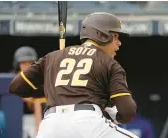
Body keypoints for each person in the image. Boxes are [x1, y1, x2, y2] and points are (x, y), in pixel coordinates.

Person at [9, 12, 138, 138]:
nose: (119, 43)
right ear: (102, 35)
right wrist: (111, 115)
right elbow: (128, 112)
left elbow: (16, 87)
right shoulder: (110, 63)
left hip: (50, 125)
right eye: (116, 36)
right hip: (88, 123)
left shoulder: (52, 57)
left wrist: (56, 89)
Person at [12, 46, 46, 137]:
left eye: (29, 62)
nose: (27, 65)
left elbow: (37, 105)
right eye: (23, 62)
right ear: (18, 64)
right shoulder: (14, 78)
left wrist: (38, 127)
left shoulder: (38, 79)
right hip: (14, 117)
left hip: (31, 118)